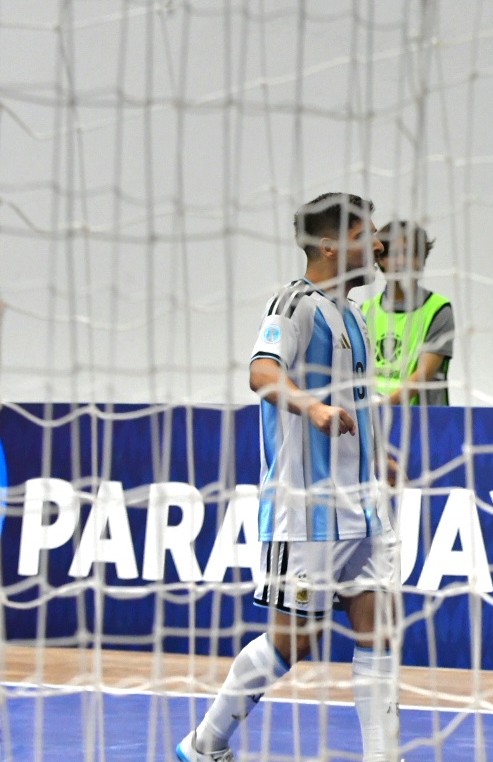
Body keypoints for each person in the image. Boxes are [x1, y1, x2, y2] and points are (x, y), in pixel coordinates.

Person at [177, 193, 403, 762]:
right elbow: (262, 372)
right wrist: (313, 410)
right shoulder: (292, 304)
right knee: (291, 643)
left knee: (378, 633)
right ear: (330, 245)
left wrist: (380, 454)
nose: (378, 245)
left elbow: (355, 399)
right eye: (366, 234)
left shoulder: (353, 314)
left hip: (364, 510)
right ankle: (205, 743)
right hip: (305, 513)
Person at [361, 220, 455, 406]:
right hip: (372, 422)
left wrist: (382, 406)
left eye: (412, 253)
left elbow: (423, 375)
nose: (403, 262)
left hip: (423, 426)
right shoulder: (363, 311)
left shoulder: (438, 309)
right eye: (396, 254)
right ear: (380, 259)